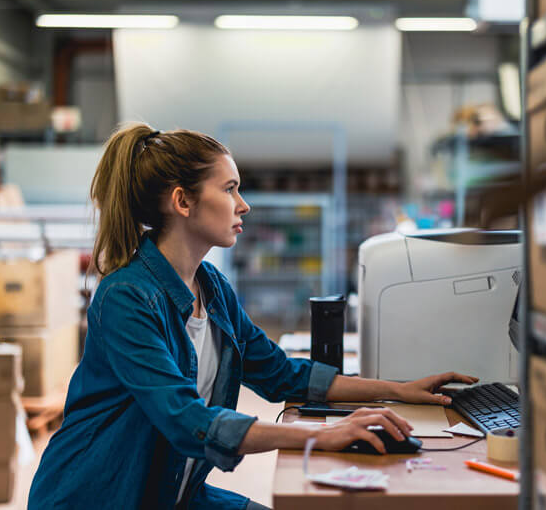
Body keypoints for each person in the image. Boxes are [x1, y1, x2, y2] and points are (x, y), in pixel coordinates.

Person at [28, 123, 477, 510]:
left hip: (169, 494)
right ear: (183, 202)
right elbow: (186, 420)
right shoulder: (127, 298)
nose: (243, 205)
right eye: (229, 189)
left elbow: (282, 375)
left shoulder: (213, 290)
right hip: (98, 497)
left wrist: (397, 390)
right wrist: (323, 436)